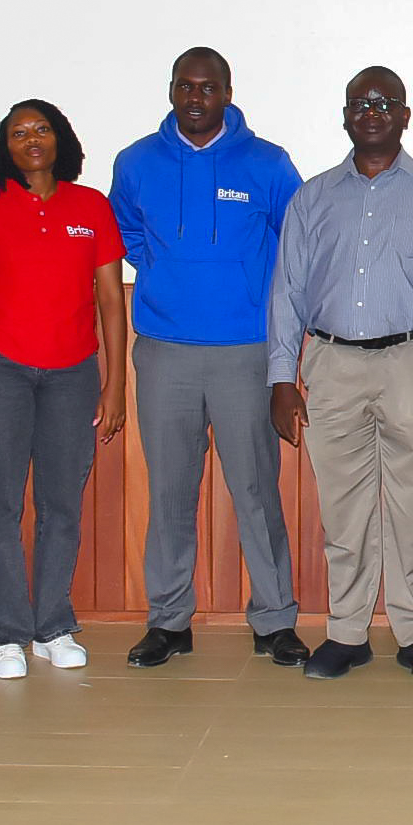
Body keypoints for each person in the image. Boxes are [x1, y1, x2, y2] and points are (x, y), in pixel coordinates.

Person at [267, 67, 413, 682]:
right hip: (332, 363)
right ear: (346, 115)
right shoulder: (313, 196)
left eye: (385, 103)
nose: (372, 111)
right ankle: (347, 632)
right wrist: (281, 376)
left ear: (405, 115)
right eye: (360, 103)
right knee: (344, 508)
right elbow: (287, 291)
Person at [111, 48, 305, 671]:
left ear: (227, 92)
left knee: (255, 489)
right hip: (165, 350)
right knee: (169, 492)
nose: (196, 97)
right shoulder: (137, 162)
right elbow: (129, 235)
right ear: (172, 91)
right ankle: (168, 621)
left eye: (208, 87)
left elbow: (293, 245)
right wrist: (167, 274)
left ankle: (274, 621)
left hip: (245, 350)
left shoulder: (268, 163)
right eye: (185, 87)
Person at [0, 100, 129, 681]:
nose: (31, 139)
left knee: (61, 504)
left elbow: (109, 301)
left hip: (73, 374)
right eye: (18, 132)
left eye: (41, 129)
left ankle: (52, 624)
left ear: (60, 139)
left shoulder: (90, 207)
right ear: (5, 144)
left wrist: (114, 385)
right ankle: (7, 630)